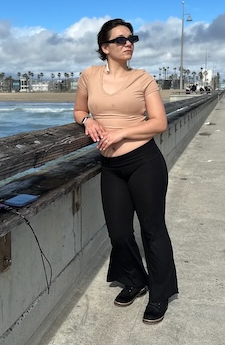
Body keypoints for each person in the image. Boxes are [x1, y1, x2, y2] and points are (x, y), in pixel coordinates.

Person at [74, 18, 178, 324]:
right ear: (105, 48)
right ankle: (135, 279)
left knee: (152, 229)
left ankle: (160, 294)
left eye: (131, 38)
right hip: (111, 166)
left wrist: (121, 133)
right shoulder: (89, 76)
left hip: (144, 161)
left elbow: (159, 123)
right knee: (118, 231)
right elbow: (79, 110)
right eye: (120, 39)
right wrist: (87, 122)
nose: (128, 42)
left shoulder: (143, 79)